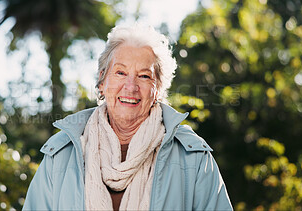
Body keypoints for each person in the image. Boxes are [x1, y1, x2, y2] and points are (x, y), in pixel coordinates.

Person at [23, 25, 233, 210]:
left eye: (144, 76)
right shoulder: (60, 154)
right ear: (102, 81)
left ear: (158, 89)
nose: (130, 87)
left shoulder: (193, 157)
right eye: (120, 73)